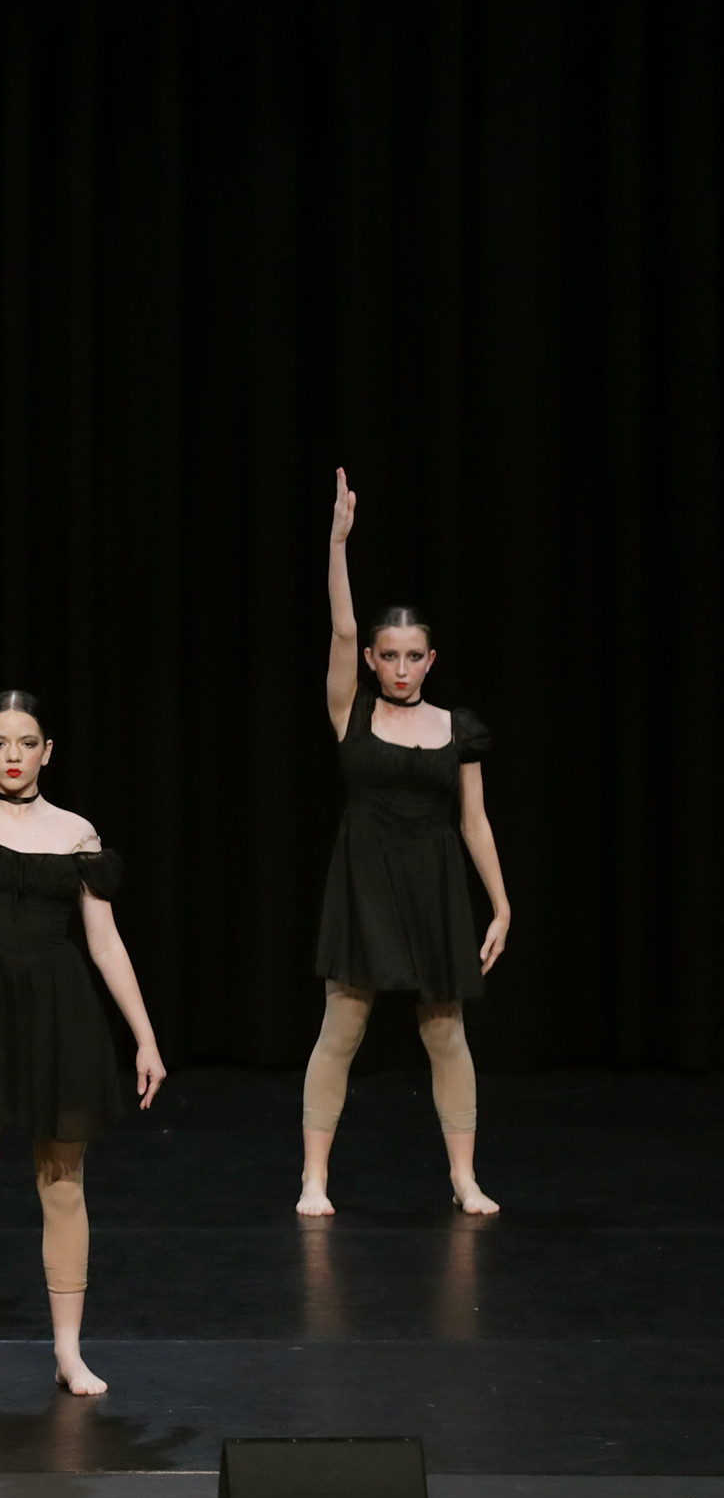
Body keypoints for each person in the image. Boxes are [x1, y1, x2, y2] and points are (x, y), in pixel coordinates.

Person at [0, 548, 166, 1399]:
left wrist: (145, 1037)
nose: (12, 755)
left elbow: (105, 942)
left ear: (47, 750)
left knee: (64, 1186)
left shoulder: (77, 832)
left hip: (58, 1012)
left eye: (27, 743)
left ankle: (67, 1350)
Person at [298, 470, 511, 1217]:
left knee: (446, 1032)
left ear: (430, 660)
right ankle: (314, 1178)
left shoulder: (458, 728)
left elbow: (474, 821)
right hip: (363, 877)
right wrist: (338, 543)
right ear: (372, 660)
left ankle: (464, 1178)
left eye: (412, 656)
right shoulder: (351, 712)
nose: (399, 668)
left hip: (434, 879)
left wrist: (501, 905)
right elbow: (342, 629)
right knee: (343, 1026)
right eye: (388, 656)